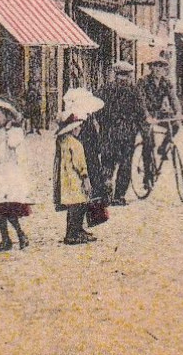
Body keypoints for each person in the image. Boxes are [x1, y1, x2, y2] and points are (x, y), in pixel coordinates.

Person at [98, 62, 148, 205]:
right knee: (124, 165)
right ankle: (118, 196)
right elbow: (141, 113)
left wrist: (102, 123)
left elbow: (96, 109)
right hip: (126, 134)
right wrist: (143, 131)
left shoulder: (105, 89)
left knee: (108, 162)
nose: (124, 78)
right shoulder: (134, 91)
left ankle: (107, 189)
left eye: (124, 75)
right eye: (123, 75)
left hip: (109, 133)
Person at [0, 99, 31, 251]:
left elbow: (13, 144)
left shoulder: (14, 133)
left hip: (9, 172)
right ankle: (5, 239)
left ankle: (20, 234)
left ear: (7, 118)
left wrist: (8, 131)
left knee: (9, 207)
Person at [64, 87, 110, 232]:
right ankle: (74, 229)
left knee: (88, 195)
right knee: (80, 196)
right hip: (83, 162)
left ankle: (80, 227)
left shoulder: (87, 118)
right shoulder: (78, 121)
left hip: (91, 160)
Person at [138, 59, 183, 186]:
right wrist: (146, 116)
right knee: (148, 142)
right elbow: (141, 101)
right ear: (151, 68)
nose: (158, 70)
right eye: (155, 67)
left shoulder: (166, 83)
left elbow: (173, 99)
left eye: (161, 67)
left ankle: (163, 147)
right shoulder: (143, 82)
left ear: (164, 70)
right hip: (143, 114)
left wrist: (178, 113)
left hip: (158, 113)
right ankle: (147, 176)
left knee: (175, 125)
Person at [54, 110, 93, 245]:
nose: (80, 128)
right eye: (78, 126)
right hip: (75, 179)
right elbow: (80, 164)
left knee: (72, 207)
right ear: (73, 128)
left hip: (65, 179)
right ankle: (73, 233)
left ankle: (74, 231)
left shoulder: (61, 141)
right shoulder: (76, 144)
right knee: (79, 205)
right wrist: (86, 179)